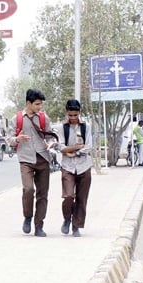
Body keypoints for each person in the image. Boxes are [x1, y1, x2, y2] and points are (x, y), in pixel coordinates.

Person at [7, 89, 55, 237]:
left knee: (43, 194)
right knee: (28, 189)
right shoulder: (17, 119)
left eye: (40, 104)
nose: (39, 107)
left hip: (42, 158)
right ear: (28, 103)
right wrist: (17, 139)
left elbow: (51, 136)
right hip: (25, 159)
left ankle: (39, 225)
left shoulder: (43, 118)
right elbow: (8, 139)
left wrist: (50, 144)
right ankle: (27, 217)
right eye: (37, 104)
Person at [58, 99, 92, 237]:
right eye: (70, 115)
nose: (72, 118)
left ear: (79, 113)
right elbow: (61, 147)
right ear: (67, 113)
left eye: (75, 115)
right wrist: (77, 147)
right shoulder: (62, 128)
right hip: (68, 166)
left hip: (84, 166)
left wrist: (76, 152)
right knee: (68, 196)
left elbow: (88, 146)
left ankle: (76, 226)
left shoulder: (86, 127)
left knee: (81, 198)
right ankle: (67, 219)